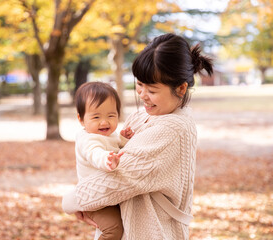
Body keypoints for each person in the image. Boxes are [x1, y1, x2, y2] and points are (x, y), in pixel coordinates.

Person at [62, 33, 213, 239]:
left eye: (152, 89)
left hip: (153, 232)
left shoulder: (171, 128)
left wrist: (72, 201)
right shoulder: (142, 116)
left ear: (181, 88)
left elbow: (119, 180)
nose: (142, 95)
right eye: (140, 85)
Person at [70, 82, 135, 240]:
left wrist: (124, 139)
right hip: (95, 200)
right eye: (96, 117)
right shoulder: (88, 140)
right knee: (113, 228)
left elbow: (116, 145)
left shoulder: (109, 135)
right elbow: (95, 153)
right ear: (81, 119)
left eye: (111, 116)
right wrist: (106, 160)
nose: (104, 122)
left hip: (108, 195)